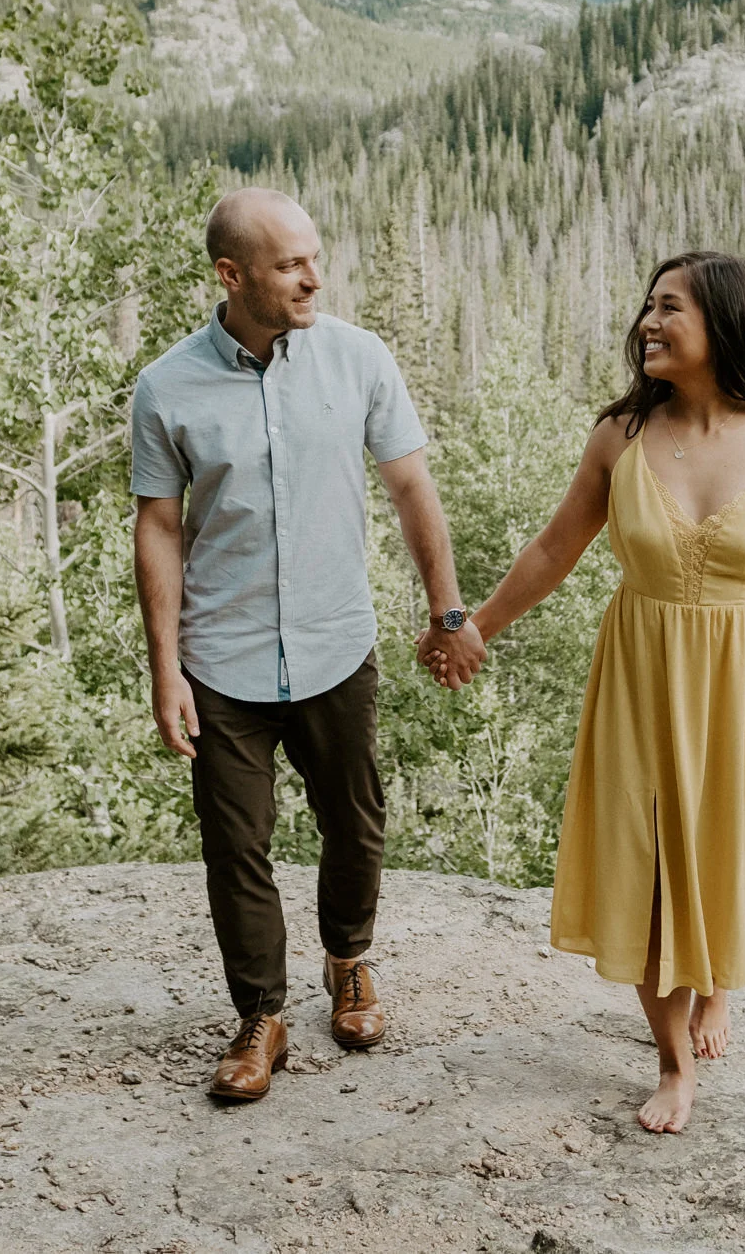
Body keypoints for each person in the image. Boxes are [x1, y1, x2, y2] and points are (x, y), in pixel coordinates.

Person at [441, 250, 745, 1134]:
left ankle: (717, 983)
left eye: (671, 309)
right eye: (648, 308)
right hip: (641, 674)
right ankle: (673, 1061)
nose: (649, 323)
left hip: (739, 681)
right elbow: (553, 548)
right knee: (646, 858)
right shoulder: (620, 433)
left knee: (724, 845)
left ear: (724, 323)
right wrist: (478, 628)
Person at [131, 187, 486, 1102]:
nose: (313, 276)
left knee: (355, 821)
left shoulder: (360, 358)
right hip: (223, 660)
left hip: (336, 643)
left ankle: (349, 960)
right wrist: (164, 667)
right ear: (231, 274)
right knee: (235, 844)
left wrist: (448, 614)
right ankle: (261, 1016)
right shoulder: (168, 387)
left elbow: (413, 490)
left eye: (314, 256)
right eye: (291, 263)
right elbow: (159, 529)